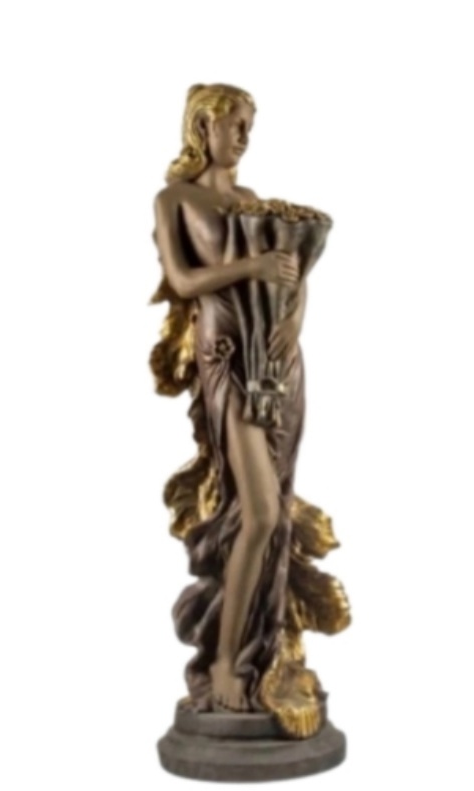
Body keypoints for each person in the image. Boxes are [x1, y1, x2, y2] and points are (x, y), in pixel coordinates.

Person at [150, 84, 349, 738]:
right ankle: (225, 666)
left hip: (279, 361)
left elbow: (293, 275)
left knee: (276, 511)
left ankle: (266, 651)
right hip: (226, 358)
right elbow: (183, 281)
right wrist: (253, 267)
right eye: (234, 123)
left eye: (249, 126)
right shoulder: (176, 200)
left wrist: (291, 319)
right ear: (202, 127)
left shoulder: (255, 202)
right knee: (259, 511)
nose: (243, 136)